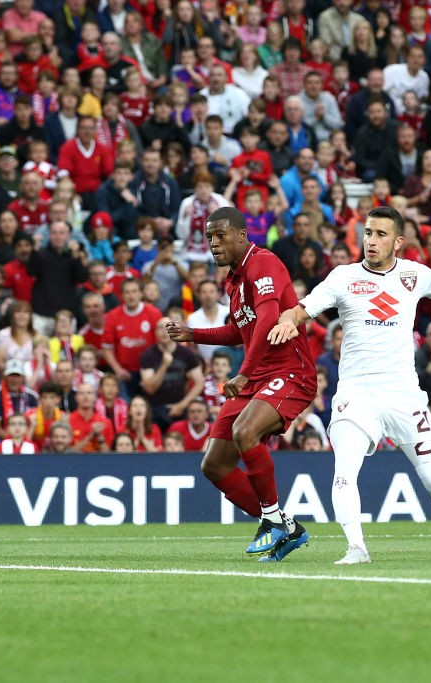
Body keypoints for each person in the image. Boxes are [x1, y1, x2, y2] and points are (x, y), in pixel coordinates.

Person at [268, 205, 431, 565]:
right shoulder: (343, 277)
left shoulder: (414, 275)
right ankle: (356, 548)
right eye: (367, 233)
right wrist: (290, 319)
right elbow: (305, 307)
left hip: (404, 395)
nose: (371, 241)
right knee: (344, 470)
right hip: (355, 395)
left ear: (398, 241)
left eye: (380, 235)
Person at [166, 207, 315, 562]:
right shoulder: (233, 279)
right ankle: (284, 524)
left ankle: (273, 523)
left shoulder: (263, 263)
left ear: (242, 235)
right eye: (209, 237)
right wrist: (192, 333)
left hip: (289, 371)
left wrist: (244, 372)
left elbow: (266, 319)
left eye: (220, 236)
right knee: (214, 465)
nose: (214, 244)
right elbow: (240, 329)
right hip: (257, 376)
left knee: (244, 433)